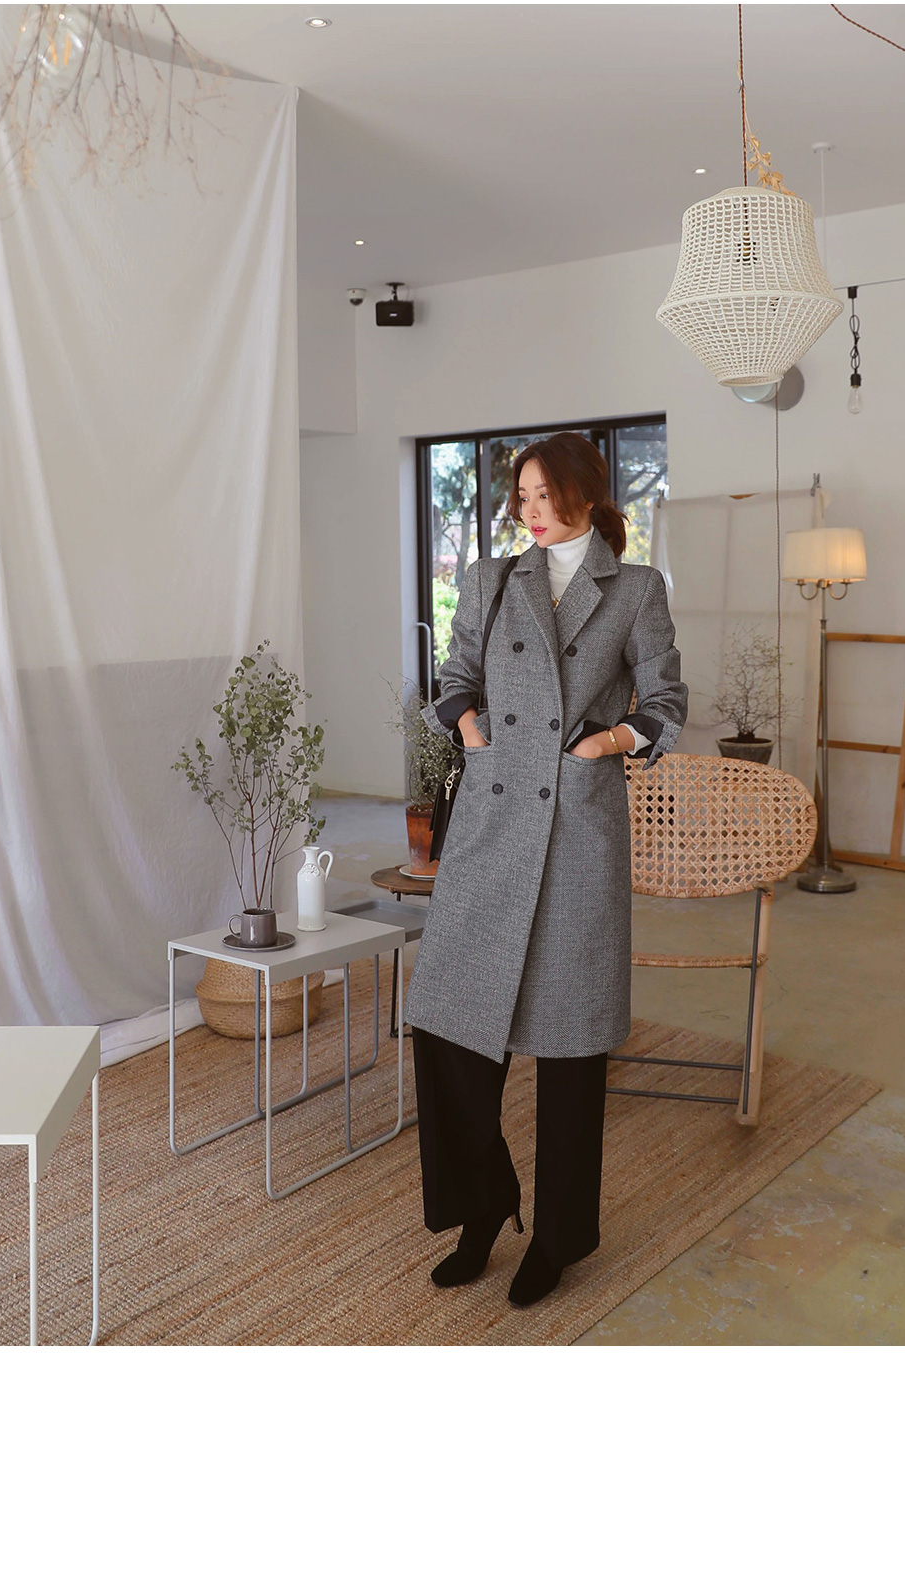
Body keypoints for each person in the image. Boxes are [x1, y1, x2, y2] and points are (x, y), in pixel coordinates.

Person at [404, 432, 687, 1307]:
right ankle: (484, 1203)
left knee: (568, 1044)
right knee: (446, 1020)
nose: (528, 510)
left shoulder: (635, 589)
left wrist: (605, 741)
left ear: (583, 494)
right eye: (520, 495)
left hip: (576, 827)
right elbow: (454, 675)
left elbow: (667, 701)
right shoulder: (492, 580)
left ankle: (558, 1237)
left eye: (542, 494)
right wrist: (475, 735)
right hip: (493, 818)